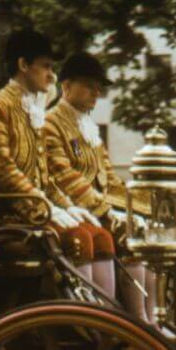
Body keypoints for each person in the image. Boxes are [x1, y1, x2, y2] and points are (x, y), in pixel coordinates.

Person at [0, 29, 109, 262]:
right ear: (23, 65)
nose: (51, 76)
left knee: (100, 238)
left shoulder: (32, 110)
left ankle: (99, 301)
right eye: (46, 66)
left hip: (26, 208)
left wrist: (66, 206)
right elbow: (2, 172)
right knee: (78, 239)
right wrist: (44, 208)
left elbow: (42, 176)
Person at [44, 51, 154, 321]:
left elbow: (110, 178)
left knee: (150, 236)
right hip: (72, 209)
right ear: (66, 86)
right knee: (124, 236)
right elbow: (65, 177)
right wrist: (107, 211)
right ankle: (120, 323)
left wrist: (137, 207)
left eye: (98, 88)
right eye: (89, 86)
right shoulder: (50, 123)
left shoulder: (89, 126)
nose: (96, 93)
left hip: (98, 209)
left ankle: (150, 322)